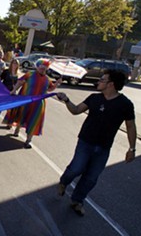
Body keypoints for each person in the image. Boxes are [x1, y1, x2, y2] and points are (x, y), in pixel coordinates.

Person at [55, 70, 136, 216]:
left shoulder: (125, 104)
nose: (98, 82)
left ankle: (77, 201)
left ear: (111, 84)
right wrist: (66, 100)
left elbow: (130, 126)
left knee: (91, 178)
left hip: (104, 147)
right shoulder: (94, 98)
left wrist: (132, 148)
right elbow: (76, 110)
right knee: (76, 169)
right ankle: (63, 182)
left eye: (102, 80)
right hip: (85, 142)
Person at [4, 59, 61, 148]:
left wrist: (56, 84)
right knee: (21, 116)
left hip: (38, 104)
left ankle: (28, 140)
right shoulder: (30, 74)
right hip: (25, 100)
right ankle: (17, 130)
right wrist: (14, 90)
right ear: (37, 67)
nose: (42, 69)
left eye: (44, 68)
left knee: (34, 121)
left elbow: (49, 89)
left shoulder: (47, 79)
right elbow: (20, 82)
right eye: (41, 67)